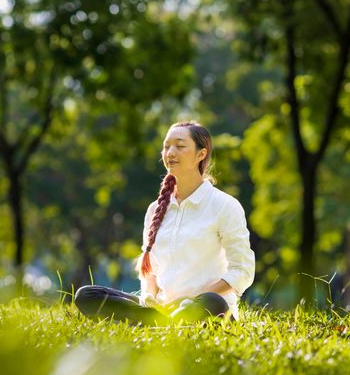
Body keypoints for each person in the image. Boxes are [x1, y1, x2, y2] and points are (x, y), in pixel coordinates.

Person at [74, 120, 256, 324]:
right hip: (163, 308)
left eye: (180, 146)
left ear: (201, 154)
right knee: (87, 295)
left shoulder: (224, 205)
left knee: (212, 302)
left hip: (205, 308)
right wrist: (150, 297)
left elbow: (243, 270)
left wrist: (190, 300)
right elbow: (150, 271)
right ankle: (159, 321)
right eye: (166, 146)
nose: (170, 152)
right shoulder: (155, 209)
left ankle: (158, 323)